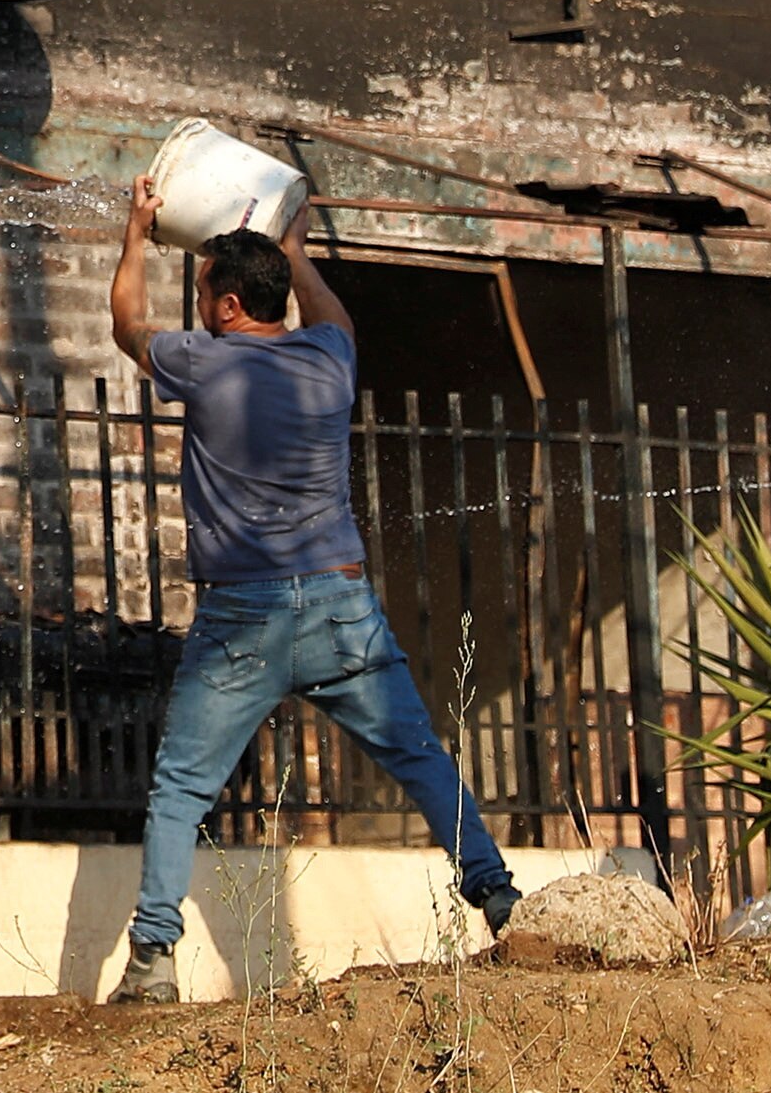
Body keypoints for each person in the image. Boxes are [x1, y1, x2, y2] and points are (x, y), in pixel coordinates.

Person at [105, 176, 518, 1004]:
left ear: (225, 307)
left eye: (201, 292)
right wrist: (298, 251)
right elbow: (339, 317)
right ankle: (500, 897)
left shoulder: (202, 361)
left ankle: (153, 961)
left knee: (184, 785)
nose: (196, 307)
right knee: (420, 757)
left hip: (241, 617)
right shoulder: (327, 358)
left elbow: (125, 325)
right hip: (339, 607)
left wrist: (136, 233)